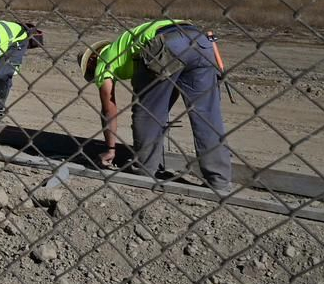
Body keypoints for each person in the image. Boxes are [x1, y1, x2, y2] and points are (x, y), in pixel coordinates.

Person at [79, 19, 233, 192]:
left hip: (166, 44)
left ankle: (144, 169)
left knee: (146, 113)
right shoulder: (123, 46)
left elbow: (109, 109)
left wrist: (110, 149)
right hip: (201, 41)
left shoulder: (103, 61)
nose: (95, 77)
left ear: (92, 60)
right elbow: (169, 89)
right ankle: (219, 180)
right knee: (207, 115)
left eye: (91, 72)